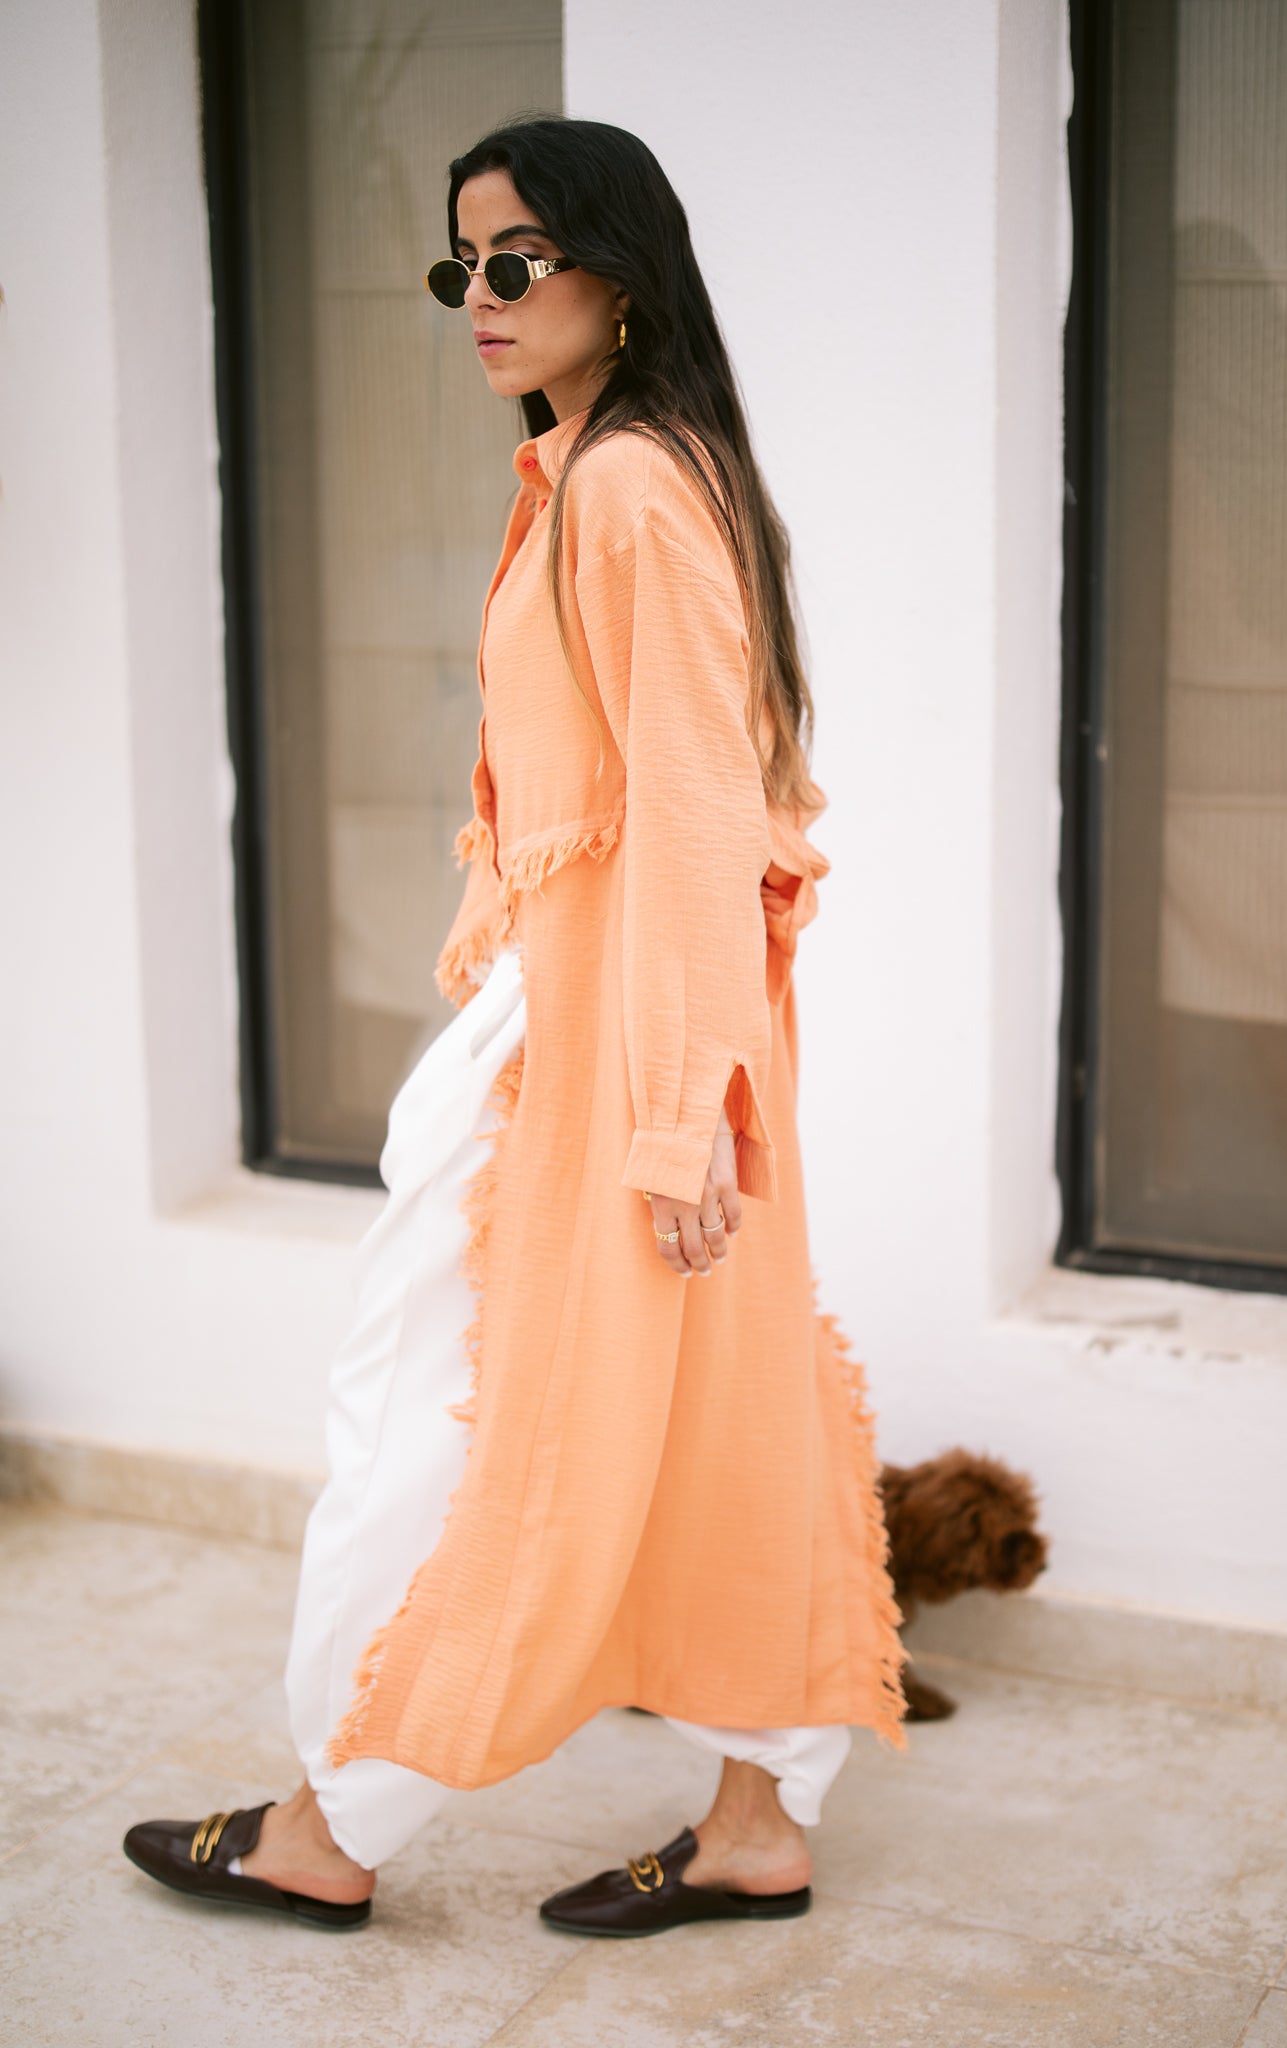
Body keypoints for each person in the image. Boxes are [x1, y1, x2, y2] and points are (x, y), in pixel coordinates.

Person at [123, 113, 909, 1939]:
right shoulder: (604, 469)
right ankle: (752, 1829)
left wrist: (666, 1113)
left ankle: (334, 1819)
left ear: (617, 278)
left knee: (447, 1411)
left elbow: (701, 810)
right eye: (455, 267)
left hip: (615, 1032)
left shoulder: (630, 487)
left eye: (515, 262)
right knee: (713, 1408)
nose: (475, 299)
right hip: (641, 1016)